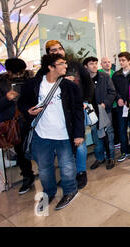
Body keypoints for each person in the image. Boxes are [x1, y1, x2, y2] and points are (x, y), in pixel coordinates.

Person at [18, 54, 84, 211]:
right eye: (61, 63)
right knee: (44, 168)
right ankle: (48, 193)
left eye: (65, 63)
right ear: (50, 67)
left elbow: (77, 111)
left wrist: (79, 133)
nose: (65, 66)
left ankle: (70, 191)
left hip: (64, 134)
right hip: (41, 134)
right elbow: (22, 103)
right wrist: (28, 111)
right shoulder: (33, 84)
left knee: (67, 166)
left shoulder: (70, 86)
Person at [44, 40, 94, 190]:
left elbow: (89, 84)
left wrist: (85, 101)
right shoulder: (47, 70)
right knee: (65, 145)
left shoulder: (75, 65)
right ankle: (69, 174)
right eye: (53, 50)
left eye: (60, 48)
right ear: (48, 54)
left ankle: (81, 173)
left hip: (77, 110)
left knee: (79, 142)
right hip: (58, 114)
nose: (58, 51)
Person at [0, 58, 35, 195]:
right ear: (8, 71)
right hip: (13, 124)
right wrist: (7, 98)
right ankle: (28, 176)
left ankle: (46, 174)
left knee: (39, 148)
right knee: (21, 152)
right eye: (15, 73)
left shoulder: (30, 79)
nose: (18, 76)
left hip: (32, 119)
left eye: (20, 73)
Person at [83, 57, 116, 170]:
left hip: (104, 111)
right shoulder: (83, 80)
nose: (94, 66)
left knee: (108, 136)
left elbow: (112, 92)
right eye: (91, 64)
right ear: (85, 66)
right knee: (96, 137)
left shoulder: (104, 77)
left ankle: (110, 157)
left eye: (96, 63)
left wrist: (105, 103)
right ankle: (99, 158)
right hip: (91, 113)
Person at [111, 52, 130, 162]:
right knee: (122, 129)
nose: (121, 62)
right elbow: (113, 90)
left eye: (123, 60)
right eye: (120, 60)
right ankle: (124, 151)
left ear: (129, 60)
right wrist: (118, 98)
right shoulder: (116, 75)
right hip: (121, 107)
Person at [99, 57, 119, 149]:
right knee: (105, 127)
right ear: (101, 64)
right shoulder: (98, 73)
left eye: (109, 62)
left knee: (115, 124)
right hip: (104, 105)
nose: (107, 64)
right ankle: (106, 146)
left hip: (115, 104)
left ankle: (115, 142)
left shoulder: (115, 74)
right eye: (104, 62)